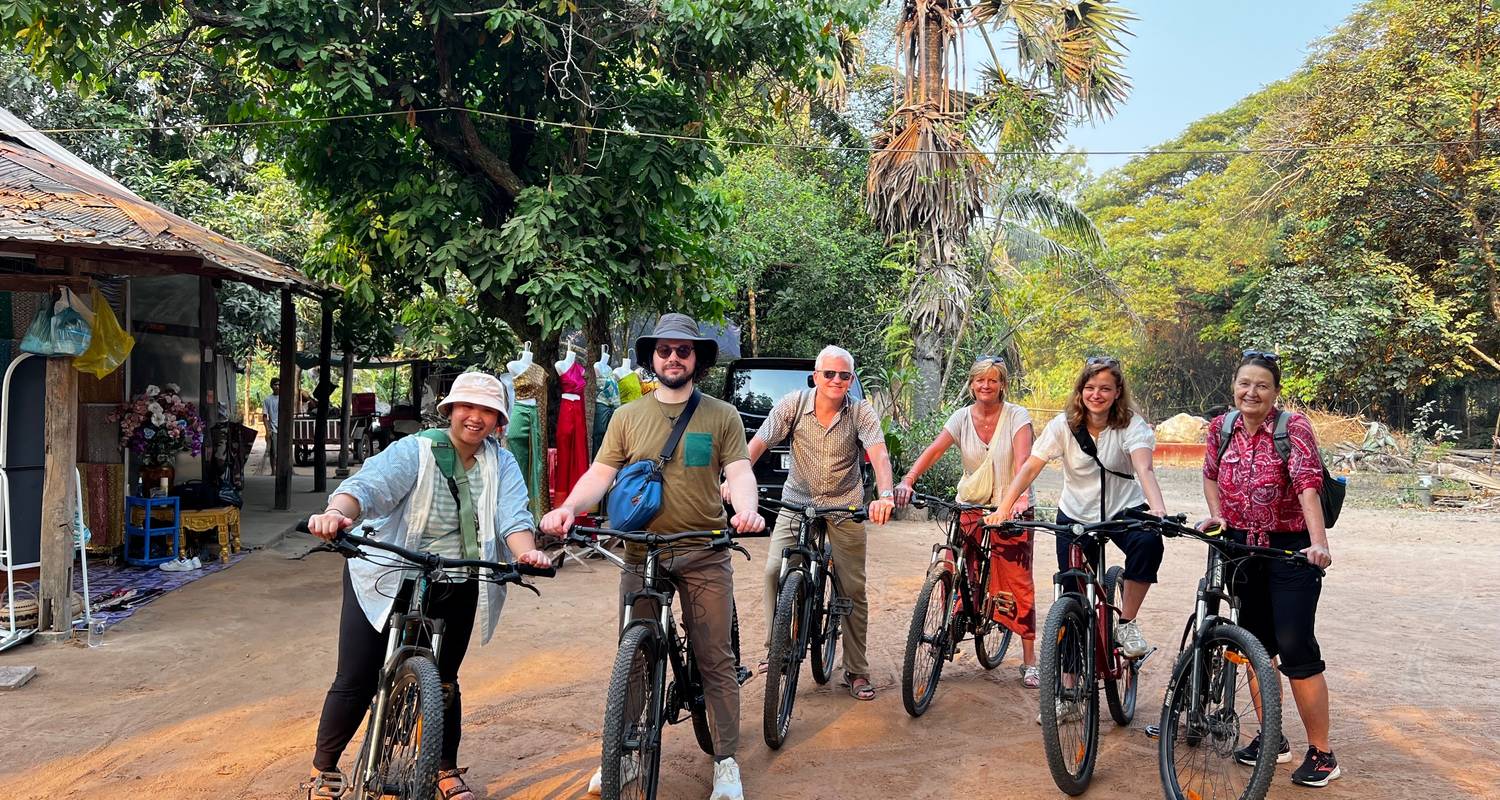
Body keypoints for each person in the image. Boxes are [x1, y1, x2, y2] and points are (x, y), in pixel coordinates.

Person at [541, 313, 763, 800]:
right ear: (652, 358)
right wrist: (568, 508)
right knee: (633, 657)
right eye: (664, 350)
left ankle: (726, 761)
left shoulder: (721, 415)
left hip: (704, 550)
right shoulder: (626, 416)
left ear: (697, 359)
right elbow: (600, 475)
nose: (673, 358)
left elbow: (740, 471)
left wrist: (746, 510)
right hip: (640, 554)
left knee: (714, 659)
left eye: (683, 351)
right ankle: (619, 756)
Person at [302, 371, 550, 800]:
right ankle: (324, 768)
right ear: (450, 410)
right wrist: (336, 513)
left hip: (460, 577)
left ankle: (443, 767)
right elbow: (367, 487)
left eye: (488, 411)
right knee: (357, 677)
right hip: (389, 573)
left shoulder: (501, 462)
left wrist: (526, 552)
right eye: (468, 407)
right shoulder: (416, 450)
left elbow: (514, 518)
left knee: (445, 681)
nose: (476, 418)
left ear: (499, 421)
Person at [1201, 350, 1338, 788]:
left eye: (1262, 385)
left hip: (1290, 550)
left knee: (1296, 647)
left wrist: (1318, 543)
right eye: (1245, 383)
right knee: (1256, 645)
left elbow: (1307, 484)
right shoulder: (1220, 428)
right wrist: (1217, 514)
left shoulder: (1291, 427)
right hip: (1240, 547)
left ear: (1275, 391)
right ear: (1234, 386)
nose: (1251, 392)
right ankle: (1272, 737)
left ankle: (1322, 753)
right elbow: (1209, 474)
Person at [733, 345, 896, 701]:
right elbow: (757, 443)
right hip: (796, 504)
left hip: (844, 507)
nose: (836, 380)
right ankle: (775, 649)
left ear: (851, 380)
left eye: (844, 375)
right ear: (815, 377)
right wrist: (734, 478)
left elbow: (879, 453)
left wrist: (885, 494)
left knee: (852, 589)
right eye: (829, 374)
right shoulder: (793, 404)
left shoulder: (860, 411)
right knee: (773, 571)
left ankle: (856, 669)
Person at [993, 356, 1166, 660]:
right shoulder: (1063, 425)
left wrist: (1158, 509)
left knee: (1149, 543)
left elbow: (1144, 468)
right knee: (1072, 599)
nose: (1096, 395)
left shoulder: (1131, 425)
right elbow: (1032, 465)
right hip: (1076, 514)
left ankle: (1126, 623)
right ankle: (1067, 690)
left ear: (1117, 392)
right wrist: (1005, 507)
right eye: (1090, 387)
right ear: (1080, 390)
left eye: (1105, 388)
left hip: (1124, 510)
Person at [895, 356, 1039, 686]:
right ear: (971, 384)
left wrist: (1017, 501)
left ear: (1003, 384)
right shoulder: (961, 418)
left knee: (1017, 579)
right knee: (952, 561)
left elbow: (1024, 463)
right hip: (972, 502)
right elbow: (934, 450)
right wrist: (909, 479)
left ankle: (1030, 660)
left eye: (992, 380)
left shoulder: (1017, 416)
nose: (985, 386)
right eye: (979, 380)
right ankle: (952, 621)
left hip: (1010, 507)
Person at [263, 377, 281, 469]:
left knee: (281, 452)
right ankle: (273, 471)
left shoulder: (284, 399)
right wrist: (267, 430)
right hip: (273, 428)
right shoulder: (267, 400)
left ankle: (279, 469)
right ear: (271, 386)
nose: (277, 387)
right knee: (273, 452)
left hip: (283, 428)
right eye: (275, 384)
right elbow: (265, 416)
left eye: (279, 384)